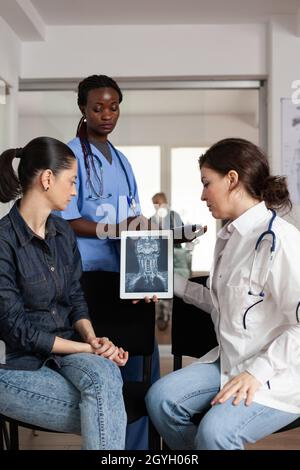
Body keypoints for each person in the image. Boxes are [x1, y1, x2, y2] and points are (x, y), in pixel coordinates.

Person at [146, 137, 300, 450]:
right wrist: (164, 281)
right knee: (160, 399)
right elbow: (220, 302)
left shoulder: (279, 240)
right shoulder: (230, 236)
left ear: (232, 179)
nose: (203, 195)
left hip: (278, 372)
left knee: (215, 433)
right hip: (232, 360)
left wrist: (256, 373)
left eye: (206, 183)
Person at [0, 137, 129, 450]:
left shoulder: (63, 232)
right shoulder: (3, 240)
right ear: (47, 179)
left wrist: (93, 339)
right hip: (20, 364)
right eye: (71, 182)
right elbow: (16, 328)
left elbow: (75, 298)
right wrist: (88, 350)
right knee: (106, 408)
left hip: (68, 350)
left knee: (106, 378)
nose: (74, 191)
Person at [60, 74, 160, 450]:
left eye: (113, 106)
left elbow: (131, 218)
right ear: (83, 109)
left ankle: (136, 450)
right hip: (86, 279)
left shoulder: (121, 160)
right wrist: (114, 228)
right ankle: (109, 448)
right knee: (106, 368)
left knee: (138, 367)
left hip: (124, 277)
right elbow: (67, 220)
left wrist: (144, 227)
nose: (106, 114)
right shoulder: (69, 156)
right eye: (98, 107)